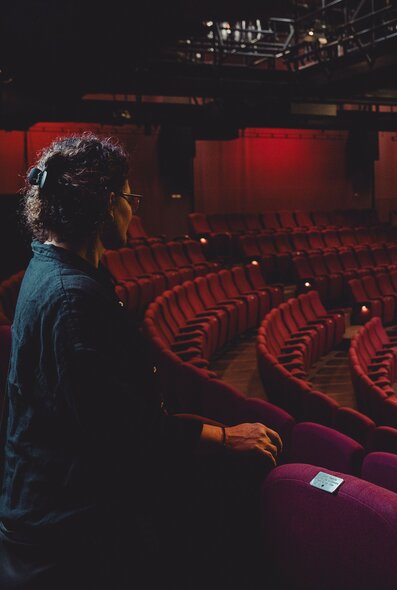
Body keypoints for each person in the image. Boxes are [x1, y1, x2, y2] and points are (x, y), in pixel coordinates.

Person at [0, 133, 282, 589]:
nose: (135, 209)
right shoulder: (73, 298)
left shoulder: (53, 269)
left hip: (50, 522)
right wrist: (224, 437)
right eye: (130, 197)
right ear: (108, 203)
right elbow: (121, 434)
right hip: (68, 545)